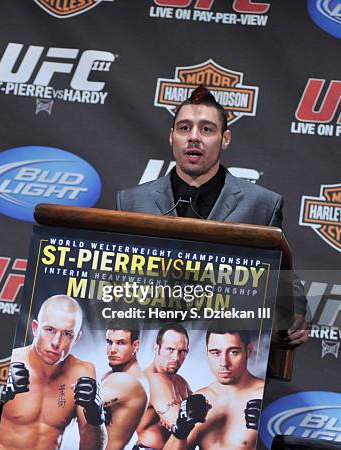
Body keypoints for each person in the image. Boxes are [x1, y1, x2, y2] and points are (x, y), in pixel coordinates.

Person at [116, 85, 308, 347]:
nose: (194, 137)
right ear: (172, 137)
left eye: (206, 129)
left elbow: (283, 280)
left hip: (228, 349)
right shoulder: (131, 201)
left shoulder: (262, 204)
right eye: (184, 128)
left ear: (225, 139)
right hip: (153, 348)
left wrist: (292, 314)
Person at [0, 294, 107, 450]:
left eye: (67, 334)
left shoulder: (83, 372)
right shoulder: (8, 362)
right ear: (35, 328)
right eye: (50, 330)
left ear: (76, 339)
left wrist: (95, 417)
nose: (56, 342)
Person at [163, 325, 264, 450]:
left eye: (233, 352)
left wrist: (266, 434)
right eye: (216, 353)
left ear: (248, 350)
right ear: (207, 353)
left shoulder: (266, 396)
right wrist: (180, 430)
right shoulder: (201, 399)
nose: (224, 363)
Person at [137, 324, 192, 449]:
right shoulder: (153, 380)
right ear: (157, 348)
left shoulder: (181, 382)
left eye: (181, 351)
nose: (175, 357)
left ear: (187, 351)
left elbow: (203, 421)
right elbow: (185, 427)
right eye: (170, 349)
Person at [101, 319, 149, 450]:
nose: (113, 350)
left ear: (135, 346)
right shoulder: (111, 375)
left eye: (121, 343)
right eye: (109, 342)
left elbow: (79, 405)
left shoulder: (126, 380)